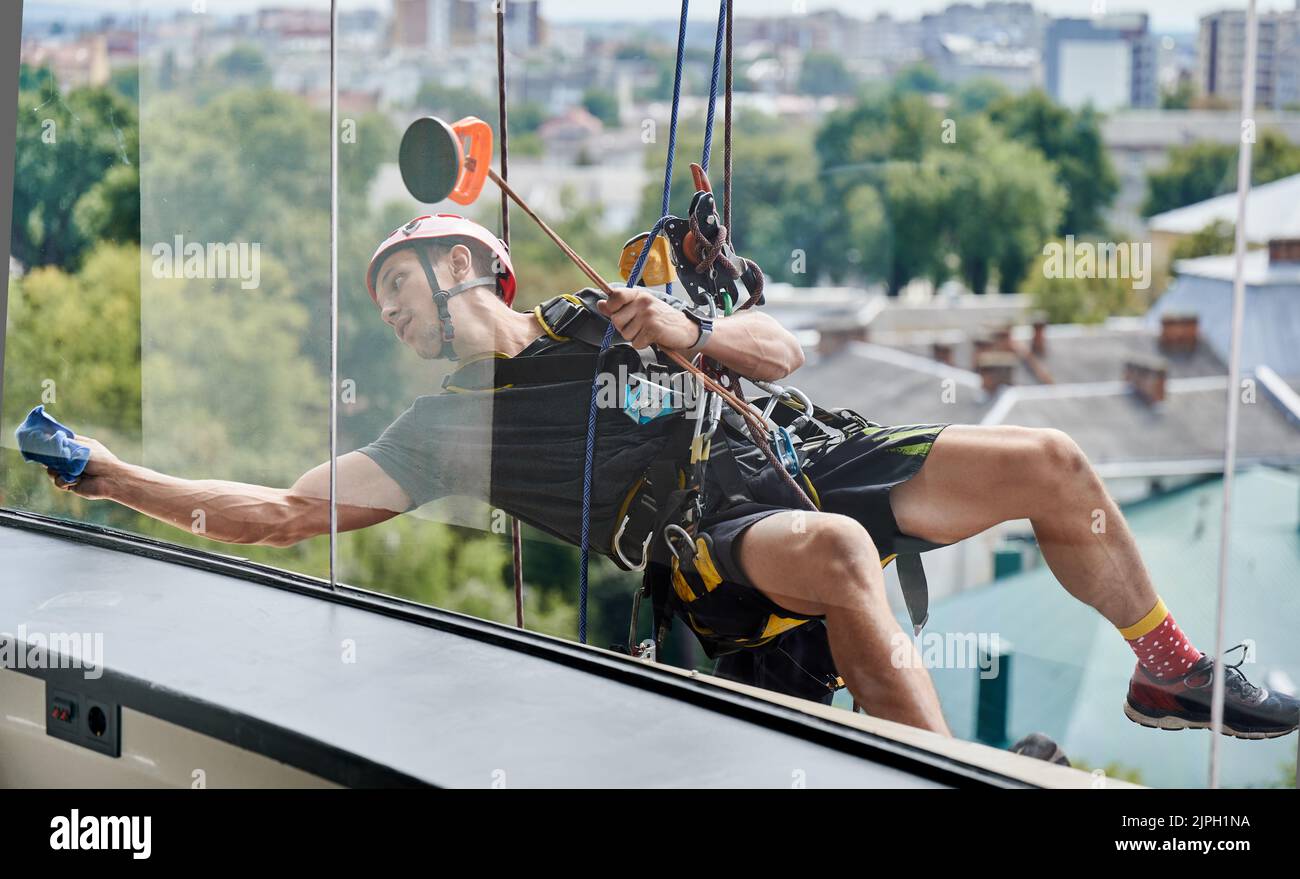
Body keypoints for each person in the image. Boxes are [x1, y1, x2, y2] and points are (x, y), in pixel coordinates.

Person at [50, 214, 1299, 740]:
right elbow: (278, 514)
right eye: (383, 303)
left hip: (806, 451)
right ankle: (941, 774)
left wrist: (677, 326)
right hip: (708, 541)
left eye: (400, 288)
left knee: (1051, 463)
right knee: (843, 561)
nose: (393, 316)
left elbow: (779, 349)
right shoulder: (445, 431)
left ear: (467, 267)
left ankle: (1163, 668)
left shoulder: (607, 311)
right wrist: (112, 475)